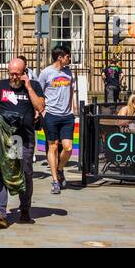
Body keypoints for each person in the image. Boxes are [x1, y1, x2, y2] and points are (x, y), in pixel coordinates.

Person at [0, 56, 44, 229]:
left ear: (24, 73)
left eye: (17, 74)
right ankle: (0, 212)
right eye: (11, 74)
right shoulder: (1, 85)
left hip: (24, 137)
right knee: (3, 172)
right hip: (6, 137)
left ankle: (25, 208)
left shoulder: (34, 86)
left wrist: (29, 87)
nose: (13, 77)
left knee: (25, 172)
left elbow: (40, 107)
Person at [37, 47, 76, 195]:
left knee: (68, 148)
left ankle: (60, 169)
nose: (69, 59)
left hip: (67, 116)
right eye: (67, 56)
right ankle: (55, 180)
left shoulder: (69, 72)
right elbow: (39, 92)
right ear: (60, 57)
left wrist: (73, 108)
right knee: (52, 146)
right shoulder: (46, 72)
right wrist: (41, 111)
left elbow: (71, 90)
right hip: (51, 115)